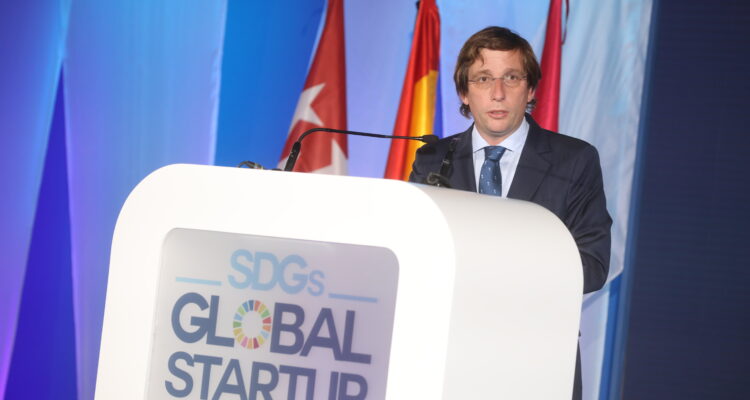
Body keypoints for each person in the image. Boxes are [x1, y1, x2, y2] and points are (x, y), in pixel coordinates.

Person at [409, 26, 612, 399]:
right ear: (464, 93)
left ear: (530, 89)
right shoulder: (434, 159)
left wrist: (498, 270)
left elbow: (592, 266)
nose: (498, 93)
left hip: (537, 358)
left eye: (512, 78)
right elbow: (416, 257)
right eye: (483, 79)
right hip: (448, 356)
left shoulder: (574, 161)